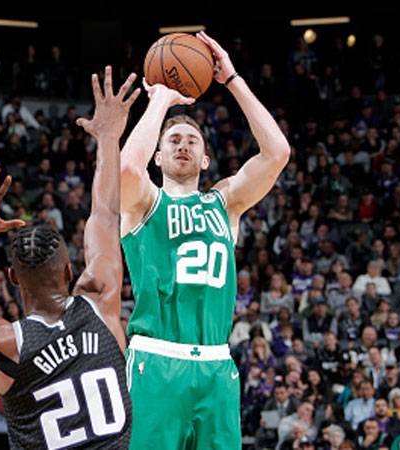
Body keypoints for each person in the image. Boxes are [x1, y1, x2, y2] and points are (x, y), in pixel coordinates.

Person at [0, 66, 139, 449]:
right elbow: (105, 213)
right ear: (69, 271)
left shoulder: (2, 341)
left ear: (13, 279)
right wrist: (108, 137)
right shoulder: (100, 300)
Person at [120, 31, 290, 449]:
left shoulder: (226, 203)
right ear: (157, 157)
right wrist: (160, 100)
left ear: (206, 159)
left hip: (216, 364)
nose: (182, 145)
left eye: (192, 141)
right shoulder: (144, 202)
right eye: (173, 141)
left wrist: (232, 79)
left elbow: (277, 153)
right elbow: (125, 168)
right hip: (156, 361)